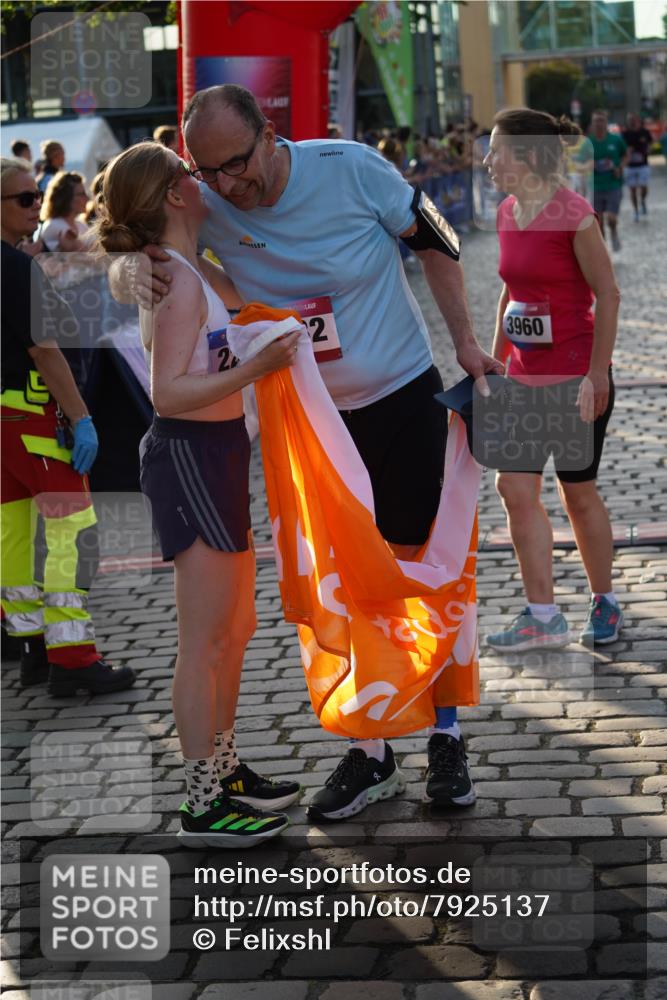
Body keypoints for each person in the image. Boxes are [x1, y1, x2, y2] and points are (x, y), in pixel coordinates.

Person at [112, 84, 503, 821]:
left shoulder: (351, 168)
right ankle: (369, 748)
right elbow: (143, 245)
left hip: (400, 396)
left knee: (431, 564)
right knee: (342, 581)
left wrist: (465, 342)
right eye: (207, 171)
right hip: (312, 424)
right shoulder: (208, 198)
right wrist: (128, 269)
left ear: (269, 133)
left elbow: (439, 242)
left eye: (236, 164)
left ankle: (445, 737)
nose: (227, 185)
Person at [97, 141, 302, 846]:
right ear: (175, 193)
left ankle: (225, 767)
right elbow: (167, 394)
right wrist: (255, 370)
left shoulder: (185, 266)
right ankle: (201, 802)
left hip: (219, 452)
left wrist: (125, 264)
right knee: (204, 639)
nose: (203, 178)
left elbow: (237, 292)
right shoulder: (176, 278)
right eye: (190, 172)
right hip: (189, 454)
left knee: (235, 631)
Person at [482, 108, 622, 652]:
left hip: (573, 376)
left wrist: (596, 374)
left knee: (576, 492)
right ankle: (542, 615)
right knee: (514, 487)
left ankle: (604, 600)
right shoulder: (506, 212)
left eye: (497, 151)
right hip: (523, 377)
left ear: (528, 156)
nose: (488, 161)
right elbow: (509, 293)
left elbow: (607, 294)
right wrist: (494, 365)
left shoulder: (574, 215)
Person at [0, 156, 136, 696]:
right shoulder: (17, 269)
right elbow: (45, 350)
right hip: (33, 415)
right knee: (70, 534)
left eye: (36, 196)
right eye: (24, 199)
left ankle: (32, 648)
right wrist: (81, 417)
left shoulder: (22, 262)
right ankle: (74, 659)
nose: (35, 206)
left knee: (12, 537)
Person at [585, 110, 628, 251]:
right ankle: (604, 250)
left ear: (606, 122)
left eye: (601, 120)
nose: (599, 123)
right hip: (595, 186)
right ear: (592, 123)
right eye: (596, 120)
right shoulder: (588, 142)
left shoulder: (615, 140)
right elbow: (579, 161)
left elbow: (626, 155)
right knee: (599, 222)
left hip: (613, 184)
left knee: (611, 218)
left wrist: (620, 167)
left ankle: (614, 232)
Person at [36, 171, 90, 251]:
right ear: (67, 198)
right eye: (81, 194)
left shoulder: (81, 225)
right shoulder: (54, 226)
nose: (87, 198)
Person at [622, 113, 653, 223]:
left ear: (637, 120)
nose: (632, 122)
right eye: (629, 120)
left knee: (644, 187)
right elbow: (621, 148)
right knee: (633, 190)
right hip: (630, 166)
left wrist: (648, 149)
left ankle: (643, 200)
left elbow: (650, 143)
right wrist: (626, 152)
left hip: (643, 165)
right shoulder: (625, 134)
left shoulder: (644, 132)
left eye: (633, 119)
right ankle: (635, 211)